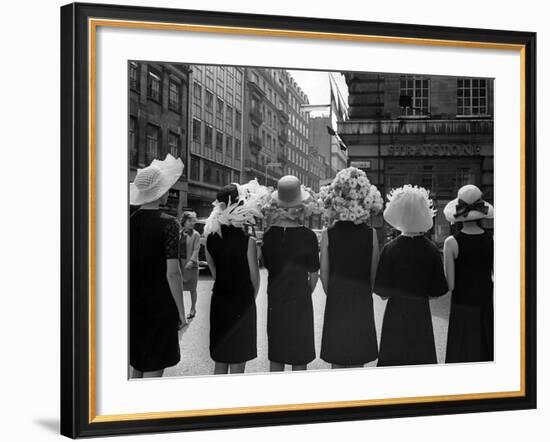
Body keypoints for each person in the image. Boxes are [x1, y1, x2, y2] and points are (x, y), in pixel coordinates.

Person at [374, 185, 448, 366]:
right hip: (420, 312)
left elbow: (382, 291)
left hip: (395, 313)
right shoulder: (431, 249)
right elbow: (437, 290)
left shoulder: (390, 249)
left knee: (393, 362)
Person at [318, 167, 383, 368]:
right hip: (361, 295)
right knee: (358, 357)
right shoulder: (370, 234)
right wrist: (365, 290)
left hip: (337, 296)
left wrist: (334, 291)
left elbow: (324, 274)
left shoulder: (328, 234)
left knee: (337, 357)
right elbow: (374, 273)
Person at [129, 154, 187, 378]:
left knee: (138, 363)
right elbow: (173, 273)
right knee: (154, 368)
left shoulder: (129, 222)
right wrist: (181, 312)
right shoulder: (169, 223)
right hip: (159, 304)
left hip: (133, 302)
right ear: (161, 192)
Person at [204, 181, 265, 374]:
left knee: (220, 359)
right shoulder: (248, 242)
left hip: (220, 302)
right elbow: (255, 280)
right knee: (238, 361)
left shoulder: (210, 239)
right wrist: (247, 299)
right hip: (242, 304)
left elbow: (214, 273)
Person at [261, 175, 319, 372]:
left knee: (276, 355)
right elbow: (314, 275)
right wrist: (303, 292)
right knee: (299, 355)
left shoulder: (268, 236)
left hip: (276, 300)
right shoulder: (309, 236)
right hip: (300, 300)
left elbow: (268, 266)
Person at [443, 184, 494, 363]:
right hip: (486, 302)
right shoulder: (492, 239)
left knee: (462, 353)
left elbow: (451, 285)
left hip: (462, 304)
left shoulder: (451, 242)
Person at [179, 211, 201, 319]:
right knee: (179, 289)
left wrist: (192, 261)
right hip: (180, 265)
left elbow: (197, 249)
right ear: (184, 221)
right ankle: (181, 311)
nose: (192, 223)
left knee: (192, 288)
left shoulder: (196, 234)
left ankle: (193, 308)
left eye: (193, 221)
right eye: (190, 221)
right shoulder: (179, 233)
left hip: (191, 265)